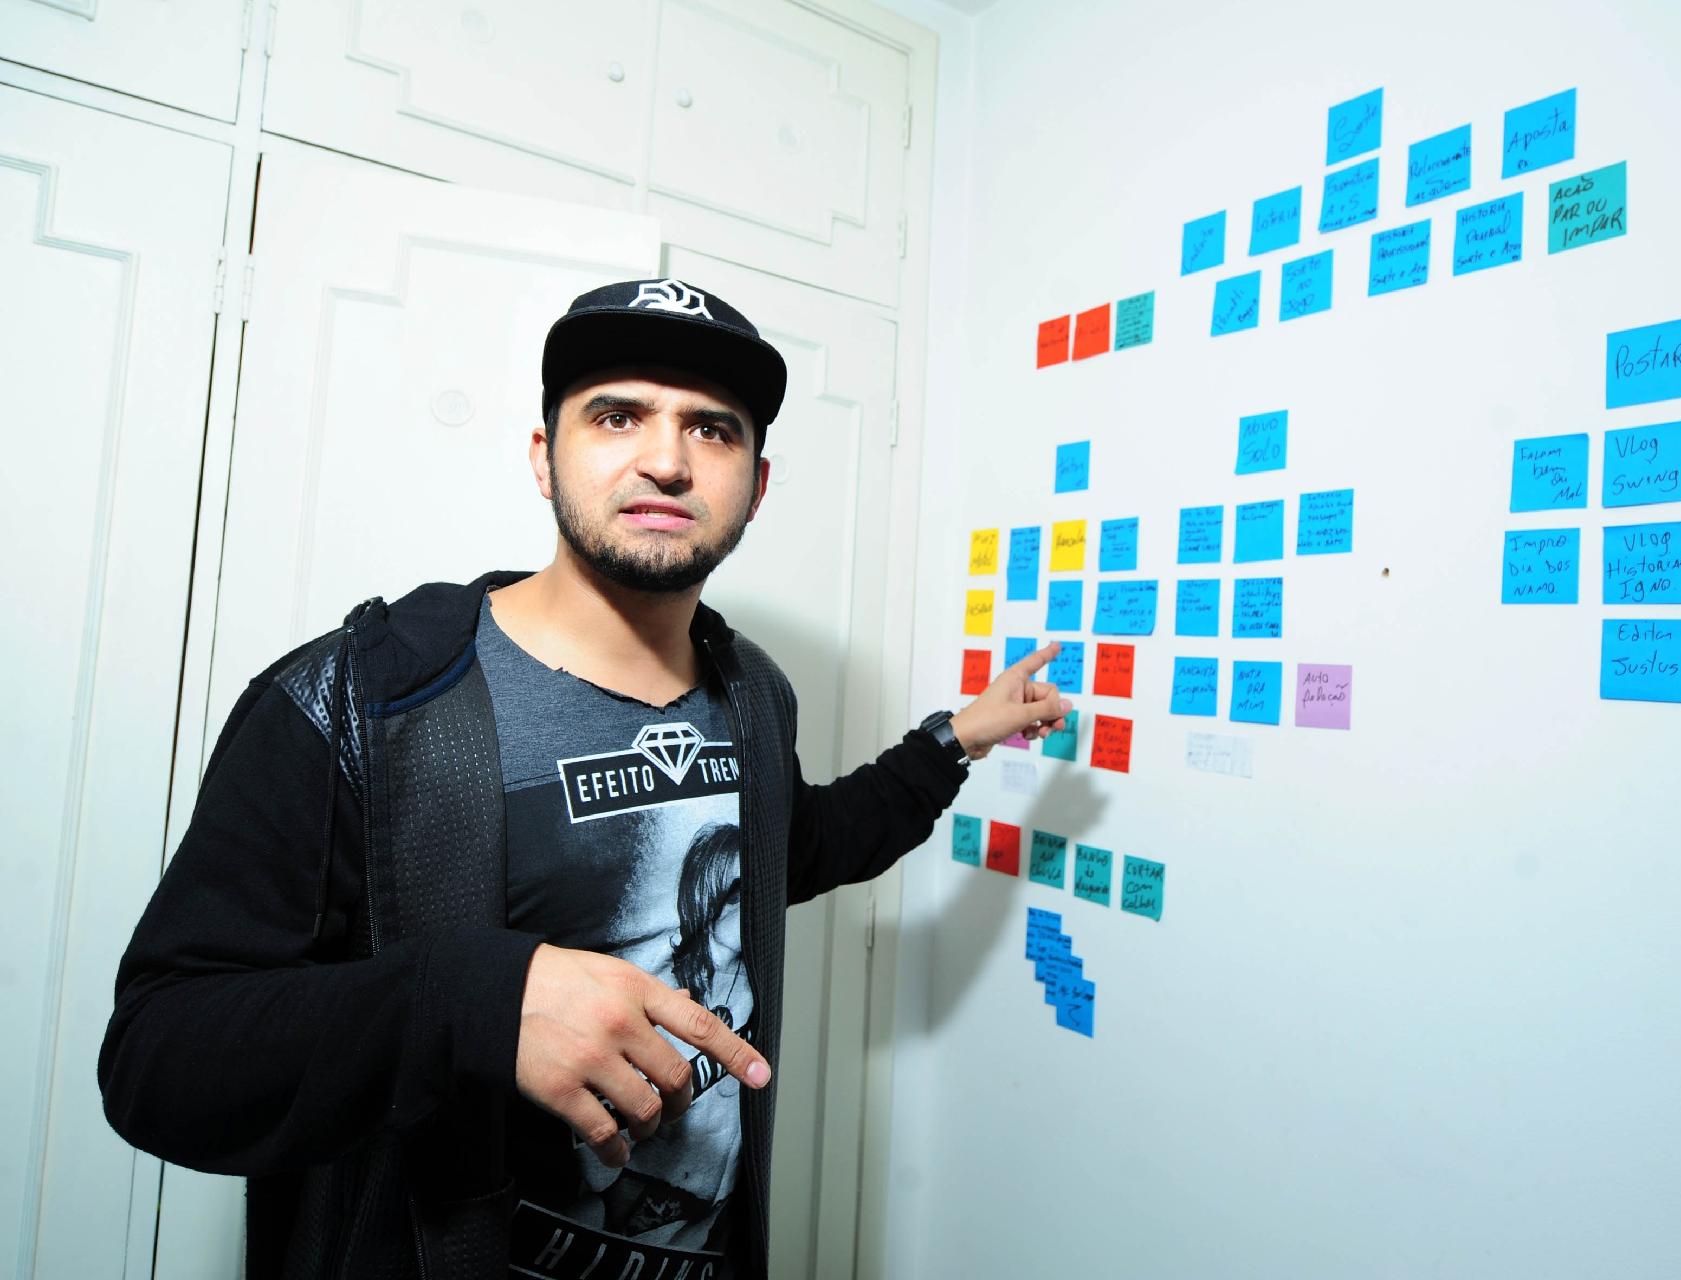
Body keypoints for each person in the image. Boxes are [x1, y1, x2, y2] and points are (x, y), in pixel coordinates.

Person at [98, 278, 1070, 1280]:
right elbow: (158, 1058)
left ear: (757, 485)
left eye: (712, 429)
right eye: (617, 415)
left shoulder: (751, 692)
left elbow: (794, 848)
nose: (667, 459)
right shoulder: (364, 700)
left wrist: (957, 738)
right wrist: (473, 1004)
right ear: (543, 455)